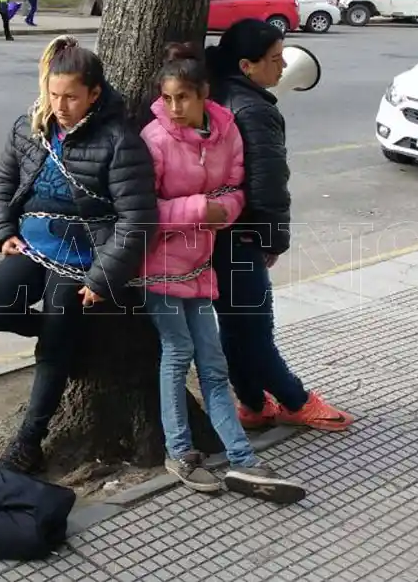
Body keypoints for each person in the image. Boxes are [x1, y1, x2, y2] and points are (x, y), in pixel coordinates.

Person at [0, 36, 156, 474]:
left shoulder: (119, 141)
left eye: (71, 96)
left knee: (52, 351)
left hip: (82, 259)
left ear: (94, 93)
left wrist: (102, 278)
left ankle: (30, 442)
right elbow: (2, 184)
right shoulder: (29, 127)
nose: (60, 105)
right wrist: (3, 232)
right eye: (54, 94)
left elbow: (137, 220)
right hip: (31, 246)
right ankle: (66, 339)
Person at [140, 42, 305, 504]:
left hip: (200, 261)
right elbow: (142, 209)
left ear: (203, 94)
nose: (175, 108)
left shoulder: (227, 129)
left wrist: (223, 209)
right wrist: (200, 208)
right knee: (178, 353)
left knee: (212, 364)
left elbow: (236, 188)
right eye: (168, 98)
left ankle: (243, 460)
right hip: (158, 266)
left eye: (184, 98)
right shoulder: (153, 139)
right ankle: (180, 452)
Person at [206, 19, 355, 432]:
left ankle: (254, 405)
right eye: (275, 59)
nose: (283, 64)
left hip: (216, 234)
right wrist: (271, 240)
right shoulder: (253, 110)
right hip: (243, 235)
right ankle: (295, 400)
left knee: (236, 325)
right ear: (247, 65)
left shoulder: (218, 94)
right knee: (254, 327)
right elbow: (267, 184)